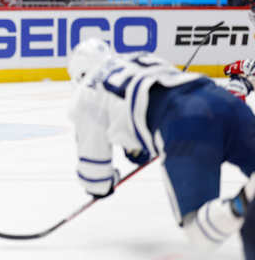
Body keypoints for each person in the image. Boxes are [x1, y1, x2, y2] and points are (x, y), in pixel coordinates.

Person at [67, 37, 255, 259]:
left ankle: (245, 197)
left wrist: (108, 181)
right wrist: (136, 148)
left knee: (200, 234)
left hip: (186, 124)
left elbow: (96, 179)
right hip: (223, 100)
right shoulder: (138, 57)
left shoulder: (86, 93)